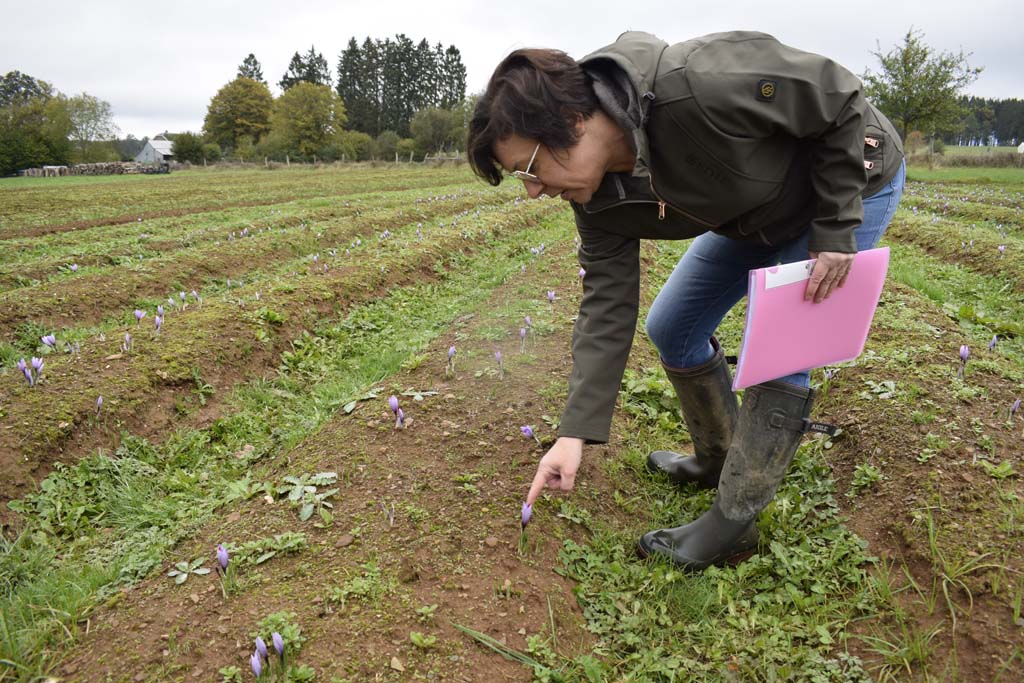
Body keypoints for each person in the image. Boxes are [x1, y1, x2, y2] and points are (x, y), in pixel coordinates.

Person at [467, 30, 905, 571]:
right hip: (750, 212)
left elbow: (837, 99)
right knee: (673, 325)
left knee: (784, 351)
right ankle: (719, 457)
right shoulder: (597, 200)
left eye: (528, 169)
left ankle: (735, 519)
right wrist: (573, 434)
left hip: (845, 185)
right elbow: (606, 306)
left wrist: (837, 229)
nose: (533, 190)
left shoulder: (701, 82)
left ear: (571, 123)